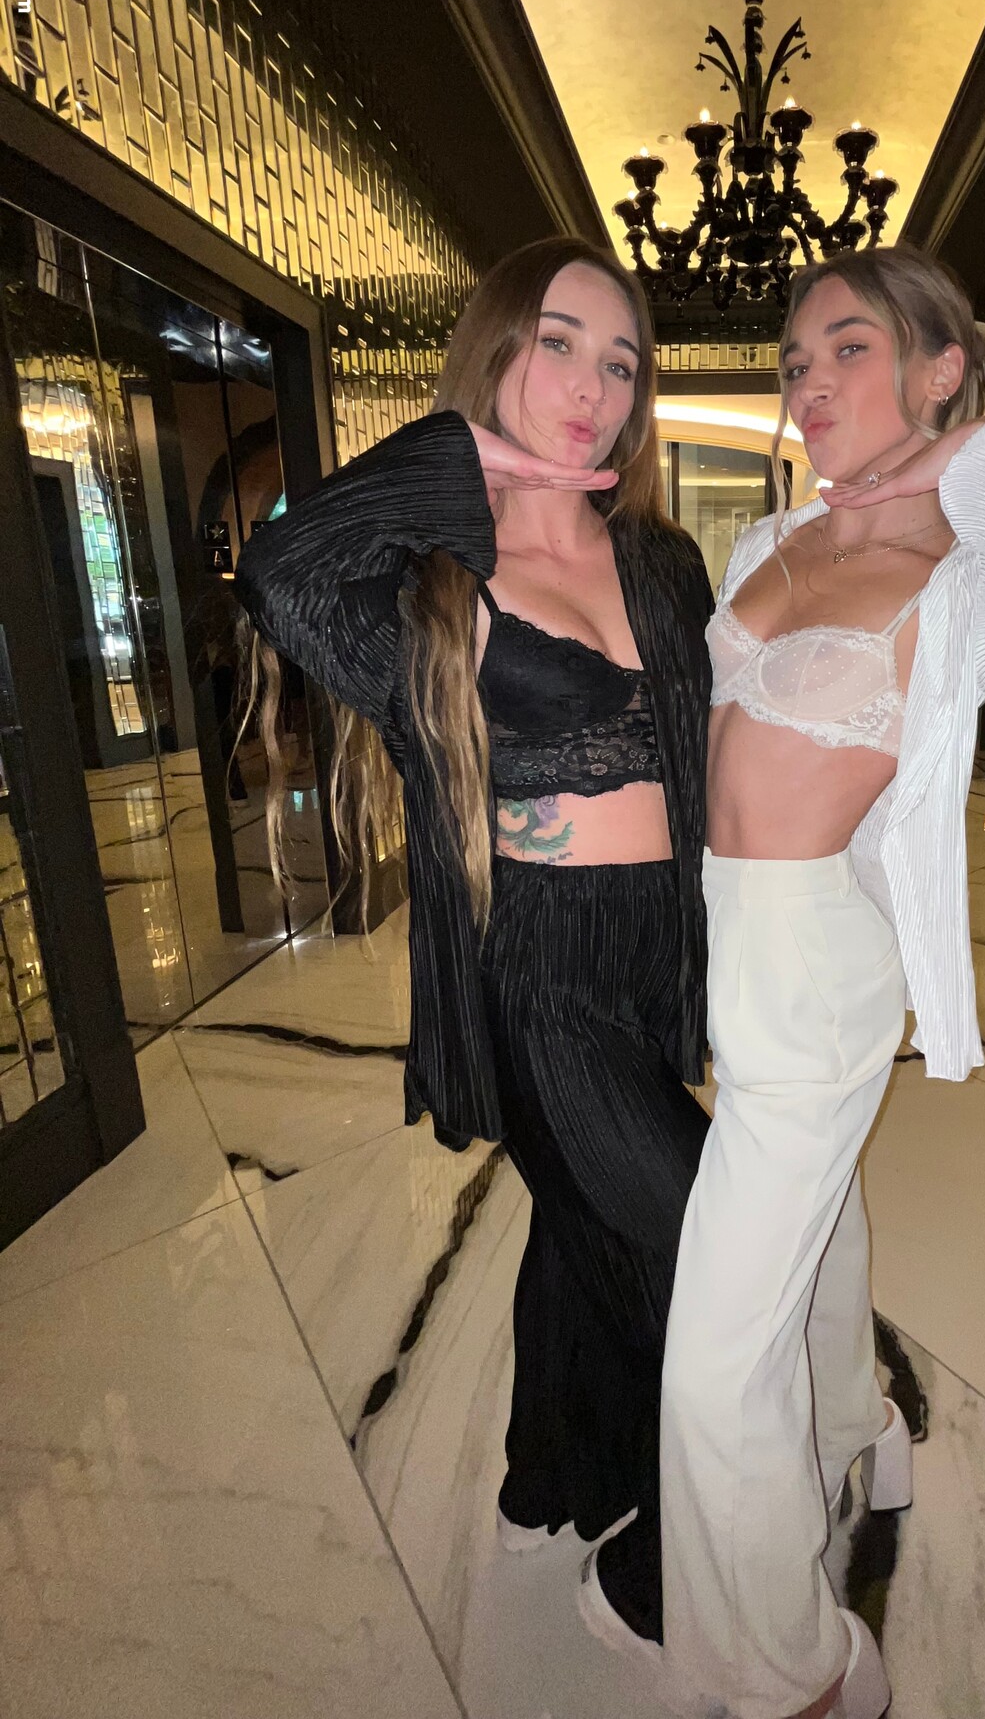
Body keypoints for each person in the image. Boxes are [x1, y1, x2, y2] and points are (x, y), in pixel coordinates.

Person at [582, 245, 985, 1719]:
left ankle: (793, 1673)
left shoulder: (967, 579)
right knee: (811, 1220)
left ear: (939, 370)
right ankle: (861, 1436)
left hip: (815, 969)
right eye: (796, 362)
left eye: (850, 351)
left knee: (713, 1354)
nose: (810, 385)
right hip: (723, 943)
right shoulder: (774, 541)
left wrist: (966, 459)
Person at [234, 239, 712, 1601]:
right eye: (556, 344)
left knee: (582, 1217)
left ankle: (551, 1474)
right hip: (538, 972)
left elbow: (712, 752)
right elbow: (282, 573)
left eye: (620, 362)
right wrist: (466, 460)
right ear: (495, 352)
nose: (592, 389)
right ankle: (674, 1571)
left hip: (654, 953)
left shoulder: (662, 559)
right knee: (701, 1247)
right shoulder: (435, 583)